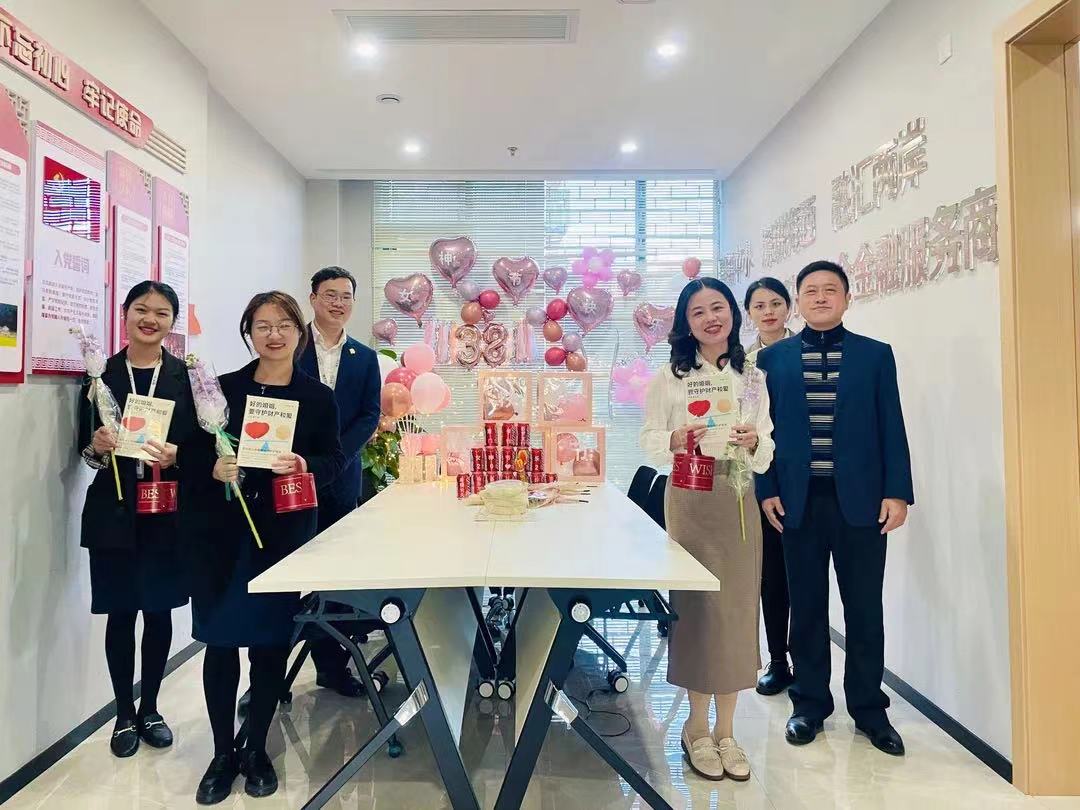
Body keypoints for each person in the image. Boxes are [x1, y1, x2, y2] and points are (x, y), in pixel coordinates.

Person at [184, 291, 345, 804]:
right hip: (221, 536)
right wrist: (213, 468)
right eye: (262, 326)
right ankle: (221, 753)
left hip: (282, 535)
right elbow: (190, 453)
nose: (273, 335)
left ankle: (255, 749)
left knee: (270, 645)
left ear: (300, 332)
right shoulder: (223, 391)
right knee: (220, 642)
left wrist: (305, 465)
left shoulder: (316, 397)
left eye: (283, 325)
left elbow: (334, 459)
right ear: (248, 332)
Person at [755, 260, 913, 757]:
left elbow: (891, 424)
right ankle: (809, 704)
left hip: (862, 503)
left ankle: (869, 710)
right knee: (805, 608)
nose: (820, 297)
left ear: (847, 298)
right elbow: (759, 430)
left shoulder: (875, 355)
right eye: (811, 291)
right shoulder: (772, 360)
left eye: (830, 290)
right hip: (797, 501)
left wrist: (897, 492)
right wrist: (766, 488)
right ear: (798, 302)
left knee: (864, 608)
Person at [640, 277, 774, 782]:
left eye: (718, 307)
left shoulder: (753, 375)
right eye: (698, 312)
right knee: (698, 609)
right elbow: (648, 439)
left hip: (737, 495)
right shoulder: (671, 376)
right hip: (690, 495)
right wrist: (675, 438)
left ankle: (727, 730)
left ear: (733, 313)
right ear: (686, 323)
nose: (710, 318)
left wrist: (753, 441)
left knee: (737, 608)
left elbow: (768, 447)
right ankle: (696, 727)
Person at [77, 280, 196, 758]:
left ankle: (151, 708)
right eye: (142, 310)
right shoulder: (99, 375)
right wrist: (97, 446)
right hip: (113, 513)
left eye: (162, 313)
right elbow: (83, 451)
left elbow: (203, 445)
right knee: (121, 612)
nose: (150, 319)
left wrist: (177, 454)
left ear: (172, 323)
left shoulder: (187, 378)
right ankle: (123, 714)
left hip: (165, 510)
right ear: (125, 313)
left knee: (159, 611)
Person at [298, 266, 382, 696]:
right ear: (313, 298)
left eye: (346, 296)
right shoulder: (289, 346)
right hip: (294, 472)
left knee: (335, 573)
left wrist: (336, 457)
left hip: (342, 476)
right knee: (288, 569)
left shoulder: (364, 357)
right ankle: (268, 672)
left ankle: (332, 666)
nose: (338, 303)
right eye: (329, 294)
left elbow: (370, 415)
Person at [743, 277, 795, 697]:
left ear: (788, 307)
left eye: (775, 303)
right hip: (760, 475)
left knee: (806, 579)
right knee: (772, 576)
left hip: (803, 475)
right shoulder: (743, 364)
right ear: (749, 314)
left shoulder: (805, 351)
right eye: (759, 306)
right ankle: (778, 661)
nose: (768, 312)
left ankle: (807, 662)